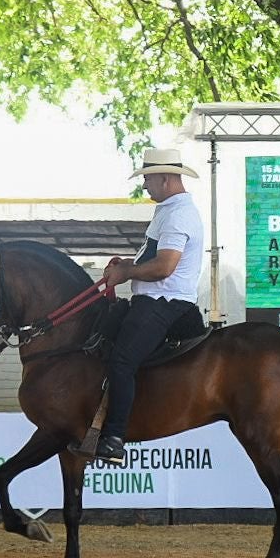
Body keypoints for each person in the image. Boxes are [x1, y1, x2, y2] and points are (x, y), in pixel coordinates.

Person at [94, 148, 205, 465]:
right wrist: (128, 265)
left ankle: (114, 437)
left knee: (121, 361)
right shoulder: (170, 209)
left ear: (166, 179)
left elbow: (164, 267)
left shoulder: (178, 214)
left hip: (163, 301)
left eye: (148, 179)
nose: (145, 186)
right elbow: (153, 260)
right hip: (158, 298)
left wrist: (126, 272)